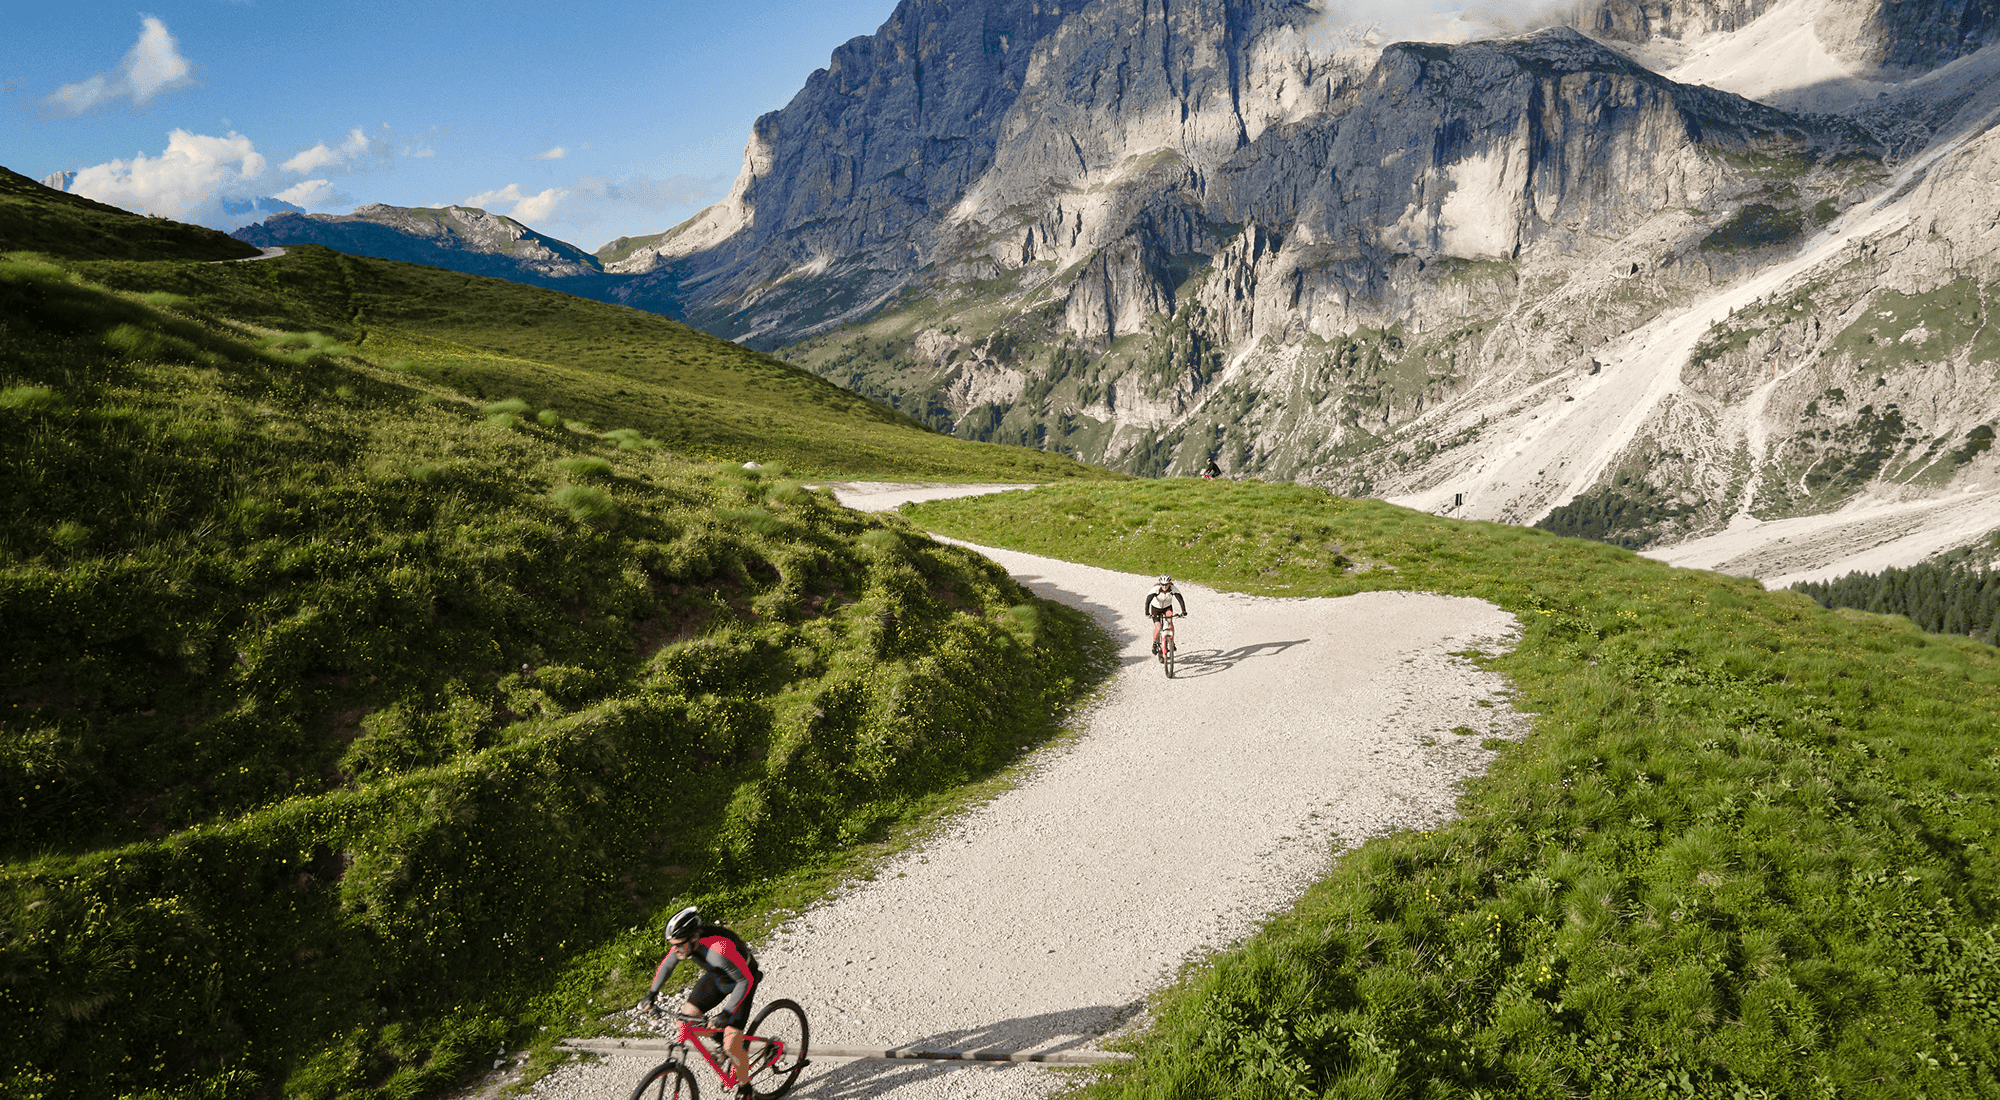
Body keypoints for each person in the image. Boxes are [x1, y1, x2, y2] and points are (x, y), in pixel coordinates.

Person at [638, 906, 764, 1098]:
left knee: (732, 1044)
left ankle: (746, 1088)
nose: (675, 949)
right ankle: (718, 1038)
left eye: (679, 944)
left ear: (694, 938)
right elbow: (668, 965)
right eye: (673, 944)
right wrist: (652, 993)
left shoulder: (717, 950)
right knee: (684, 1022)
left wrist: (726, 1013)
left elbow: (744, 980)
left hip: (742, 981)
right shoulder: (686, 945)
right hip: (718, 977)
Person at [1144, 575, 1187, 655]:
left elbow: (1180, 600)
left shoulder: (1173, 589)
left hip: (1167, 608)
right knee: (1158, 627)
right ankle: (1154, 643)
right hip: (1156, 609)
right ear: (1160, 584)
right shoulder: (1155, 589)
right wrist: (1147, 612)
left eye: (1166, 584)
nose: (1164, 586)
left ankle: (1172, 642)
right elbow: (1148, 601)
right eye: (1162, 584)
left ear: (1170, 584)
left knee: (1170, 623)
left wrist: (1183, 611)